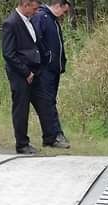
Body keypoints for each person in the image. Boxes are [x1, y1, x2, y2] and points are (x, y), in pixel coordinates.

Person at [1, 0, 44, 154]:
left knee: (43, 103)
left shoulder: (28, 21)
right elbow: (8, 54)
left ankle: (51, 136)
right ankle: (21, 144)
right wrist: (26, 72)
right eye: (34, 8)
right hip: (19, 74)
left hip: (33, 72)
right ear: (25, 5)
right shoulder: (10, 23)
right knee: (21, 109)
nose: (36, 11)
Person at [33, 0, 72, 149]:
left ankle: (51, 136)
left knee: (50, 102)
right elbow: (37, 41)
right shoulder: (42, 17)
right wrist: (46, 58)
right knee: (48, 103)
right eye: (64, 11)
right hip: (45, 70)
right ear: (58, 6)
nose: (64, 15)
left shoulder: (52, 20)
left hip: (54, 69)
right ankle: (54, 136)